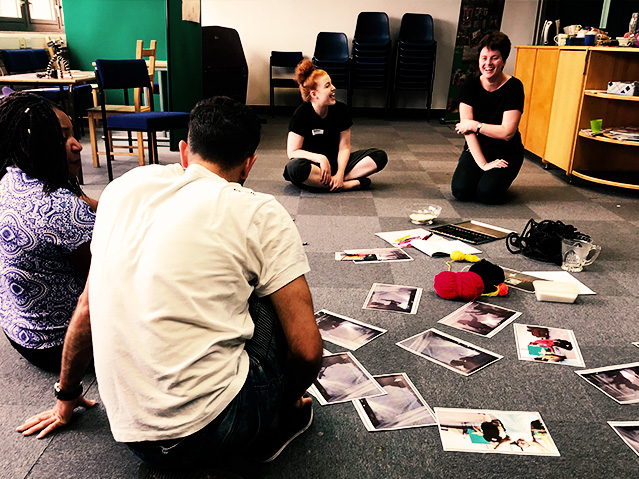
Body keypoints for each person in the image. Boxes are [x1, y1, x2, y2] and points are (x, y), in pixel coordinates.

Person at [17, 96, 323, 470]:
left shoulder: (121, 189)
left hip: (132, 437)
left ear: (183, 151)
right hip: (218, 428)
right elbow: (308, 352)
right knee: (269, 296)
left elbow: (87, 308)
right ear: (249, 163)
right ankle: (277, 423)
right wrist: (284, 401)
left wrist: (65, 396)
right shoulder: (261, 211)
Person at [0, 92, 96, 373]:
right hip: (59, 345)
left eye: (74, 134)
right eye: (62, 138)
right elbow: (105, 281)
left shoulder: (10, 178)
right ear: (29, 144)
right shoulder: (61, 209)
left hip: (19, 330)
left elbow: (83, 202)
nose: (77, 145)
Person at [283, 59, 387, 192]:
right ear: (314, 94)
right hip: (313, 166)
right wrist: (321, 158)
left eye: (331, 84)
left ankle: (331, 183)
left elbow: (344, 147)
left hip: (337, 163)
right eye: (327, 86)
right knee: (294, 168)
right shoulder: (301, 114)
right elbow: (292, 152)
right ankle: (346, 185)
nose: (333, 88)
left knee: (379, 156)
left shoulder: (341, 110)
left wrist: (340, 174)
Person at [451, 31, 524, 204]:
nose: (488, 63)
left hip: (506, 151)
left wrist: (476, 125)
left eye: (494, 58)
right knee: (461, 191)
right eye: (484, 58)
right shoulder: (470, 86)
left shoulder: (514, 87)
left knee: (487, 194)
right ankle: (484, 173)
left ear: (504, 60)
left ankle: (494, 179)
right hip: (477, 148)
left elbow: (507, 133)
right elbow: (468, 132)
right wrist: (483, 164)